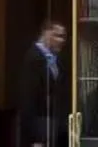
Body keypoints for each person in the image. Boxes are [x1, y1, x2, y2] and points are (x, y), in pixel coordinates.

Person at [15, 19, 67, 147]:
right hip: (39, 128)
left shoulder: (56, 60)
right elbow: (28, 98)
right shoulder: (33, 58)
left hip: (53, 126)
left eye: (63, 37)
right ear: (46, 33)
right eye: (57, 35)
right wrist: (35, 137)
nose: (61, 40)